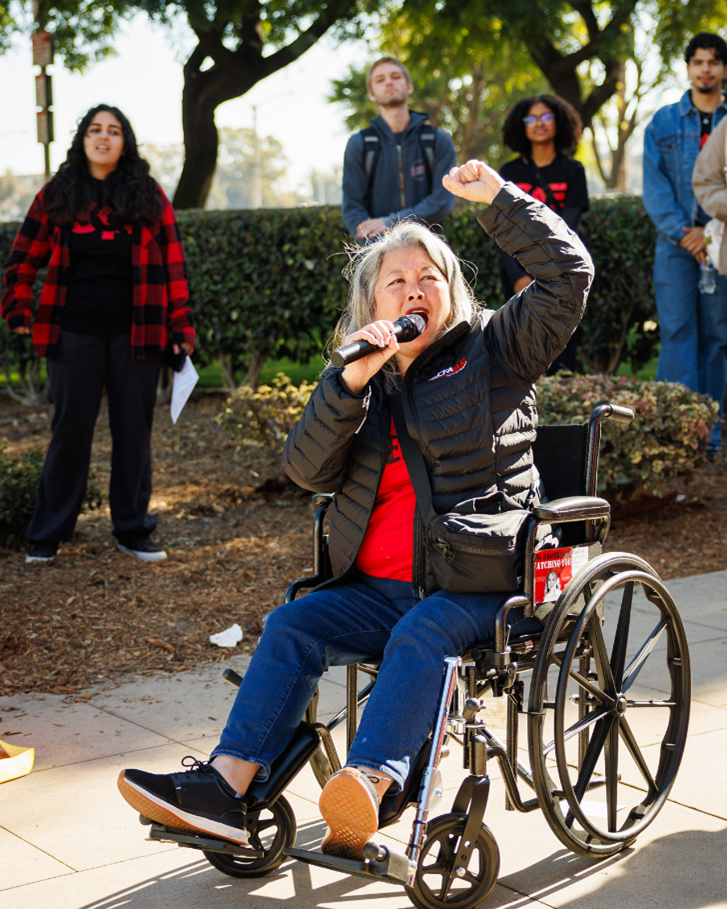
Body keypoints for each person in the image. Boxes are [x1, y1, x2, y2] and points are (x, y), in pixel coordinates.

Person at [117, 159, 593, 860]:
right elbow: (305, 470)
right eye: (394, 281)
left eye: (427, 276)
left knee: (422, 632)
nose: (413, 289)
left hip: (479, 582)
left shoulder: (497, 347)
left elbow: (568, 277)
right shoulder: (357, 377)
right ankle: (227, 787)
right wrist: (346, 387)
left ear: (450, 289)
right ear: (371, 305)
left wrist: (497, 199)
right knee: (293, 622)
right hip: (377, 589)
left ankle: (371, 782)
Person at [1, 105, 195, 564]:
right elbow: (22, 261)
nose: (103, 138)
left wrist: (181, 323)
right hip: (73, 335)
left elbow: (173, 266)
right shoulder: (58, 194)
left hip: (138, 335)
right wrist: (19, 308)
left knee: (134, 434)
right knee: (69, 433)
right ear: (82, 139)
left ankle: (133, 530)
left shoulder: (148, 195)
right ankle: (46, 535)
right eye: (95, 130)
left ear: (124, 141)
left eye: (113, 131)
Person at [643, 32, 727, 454]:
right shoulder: (663, 122)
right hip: (676, 245)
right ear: (689, 68)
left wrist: (710, 230)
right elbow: (655, 189)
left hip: (723, 241)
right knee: (677, 333)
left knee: (717, 336)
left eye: (713, 61)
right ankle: (677, 438)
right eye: (698, 62)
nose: (705, 69)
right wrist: (685, 233)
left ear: (724, 69)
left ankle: (709, 438)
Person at [499, 93, 589, 372]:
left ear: (559, 123)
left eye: (547, 117)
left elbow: (567, 229)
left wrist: (550, 275)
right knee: (520, 347)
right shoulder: (509, 172)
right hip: (518, 271)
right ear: (521, 126)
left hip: (562, 272)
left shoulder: (573, 171)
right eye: (532, 118)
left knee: (562, 351)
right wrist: (518, 277)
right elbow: (502, 231)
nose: (539, 123)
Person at [341, 57, 457, 241]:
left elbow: (443, 201)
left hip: (429, 249)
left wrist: (391, 222)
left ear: (409, 86)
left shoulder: (436, 140)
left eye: (395, 76)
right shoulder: (360, 144)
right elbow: (353, 208)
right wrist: (382, 248)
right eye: (380, 80)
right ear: (371, 94)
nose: (389, 81)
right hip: (378, 254)